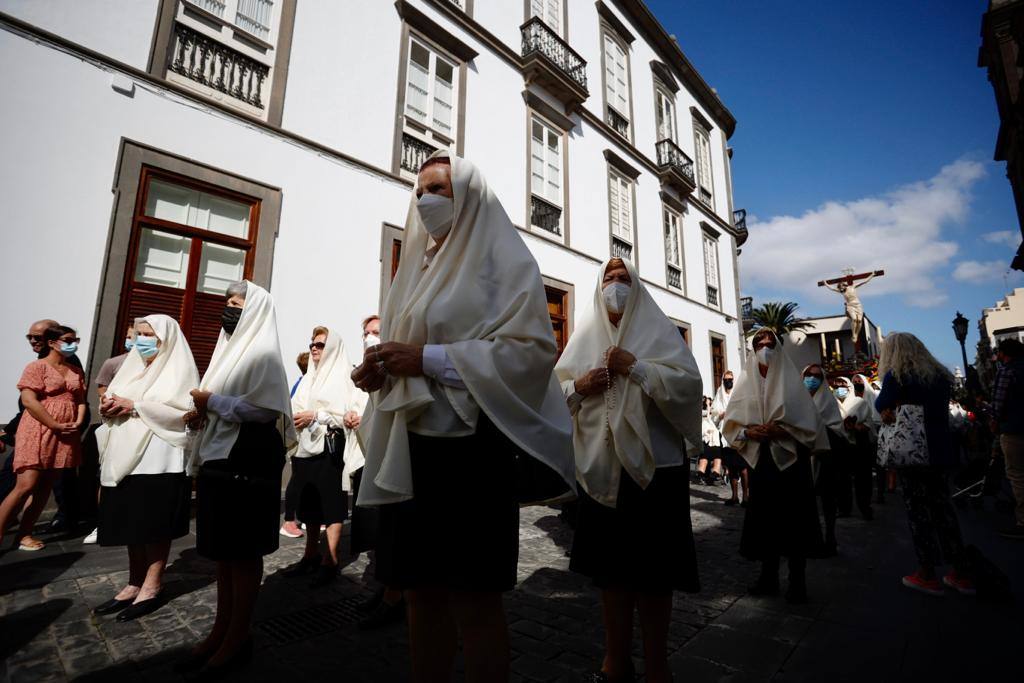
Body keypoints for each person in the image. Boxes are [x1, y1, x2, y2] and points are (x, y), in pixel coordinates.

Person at [352, 154, 574, 683]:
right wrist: (381, 369)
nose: (425, 199)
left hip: (473, 454)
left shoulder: (505, 263)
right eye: (419, 190)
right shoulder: (417, 270)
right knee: (420, 596)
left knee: (474, 602)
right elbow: (405, 349)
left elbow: (531, 351)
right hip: (415, 451)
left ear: (469, 194)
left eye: (438, 188)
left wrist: (423, 359)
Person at [555, 257, 702, 683]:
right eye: (609, 279)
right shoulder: (583, 337)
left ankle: (658, 664)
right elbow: (554, 392)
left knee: (656, 578)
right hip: (602, 471)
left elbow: (689, 387)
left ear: (636, 286)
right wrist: (579, 387)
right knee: (611, 576)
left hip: (657, 471)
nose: (615, 285)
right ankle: (615, 661)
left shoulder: (659, 334)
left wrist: (635, 368)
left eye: (623, 278)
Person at [175, 281, 295, 677]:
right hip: (219, 457)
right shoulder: (227, 351)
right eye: (226, 302)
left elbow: (263, 409)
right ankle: (220, 630)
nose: (227, 309)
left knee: (242, 554)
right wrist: (203, 412)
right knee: (224, 556)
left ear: (255, 310)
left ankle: (238, 635)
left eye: (236, 304)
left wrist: (213, 403)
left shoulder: (264, 355)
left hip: (246, 459)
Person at [92, 316, 198, 621]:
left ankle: (152, 585)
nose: (141, 339)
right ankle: (133, 582)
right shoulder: (131, 368)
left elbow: (186, 414)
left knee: (153, 523)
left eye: (148, 334)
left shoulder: (179, 369)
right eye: (138, 333)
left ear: (165, 339)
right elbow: (112, 398)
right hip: (124, 454)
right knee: (130, 522)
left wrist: (136, 406)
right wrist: (109, 407)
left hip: (158, 456)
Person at [722, 329, 825, 603]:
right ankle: (768, 578)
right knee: (766, 520)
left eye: (770, 343)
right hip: (763, 462)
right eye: (759, 343)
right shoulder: (746, 383)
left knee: (795, 521)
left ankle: (797, 581)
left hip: (792, 463)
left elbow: (810, 425)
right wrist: (749, 434)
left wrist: (785, 432)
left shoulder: (792, 382)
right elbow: (732, 425)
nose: (765, 347)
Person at [875, 332, 975, 596]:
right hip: (941, 450)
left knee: (918, 511)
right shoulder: (940, 377)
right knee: (944, 510)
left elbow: (881, 402)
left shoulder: (897, 375)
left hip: (914, 452)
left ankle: (927, 572)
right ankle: (960, 572)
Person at [282, 325, 357, 588]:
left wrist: (317, 415)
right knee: (309, 503)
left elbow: (347, 414)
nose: (314, 348)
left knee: (331, 503)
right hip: (304, 448)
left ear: (332, 348)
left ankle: (331, 559)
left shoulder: (345, 376)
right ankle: (310, 555)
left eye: (320, 344)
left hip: (329, 447)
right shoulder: (308, 377)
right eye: (312, 343)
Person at [0, 325, 87, 551]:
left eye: (75, 340)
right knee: (25, 484)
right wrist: (54, 423)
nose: (73, 343)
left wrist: (77, 421)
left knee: (45, 486)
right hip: (38, 429)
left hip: (65, 432)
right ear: (52, 342)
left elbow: (80, 400)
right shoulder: (36, 367)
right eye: (68, 339)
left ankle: (24, 534)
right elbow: (29, 400)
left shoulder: (75, 371)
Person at [348, 314, 406, 629]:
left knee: (396, 529)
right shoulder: (368, 366)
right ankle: (385, 587)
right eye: (367, 333)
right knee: (383, 533)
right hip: (371, 454)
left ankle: (395, 595)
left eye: (377, 332)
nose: (371, 338)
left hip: (394, 453)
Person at [0, 319, 60, 521]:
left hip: (40, 433)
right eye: (29, 337)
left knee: (23, 485)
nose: (33, 341)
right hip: (30, 430)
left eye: (37, 337)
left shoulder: (58, 364)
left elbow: (34, 403)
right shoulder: (39, 363)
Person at [82, 323, 137, 545]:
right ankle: (102, 522)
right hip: (115, 423)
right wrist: (110, 400)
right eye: (132, 336)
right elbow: (101, 387)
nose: (134, 340)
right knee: (106, 474)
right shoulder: (113, 363)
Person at [802, 363, 845, 556]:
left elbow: (836, 428)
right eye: (809, 375)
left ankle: (830, 536)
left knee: (828, 499)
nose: (812, 379)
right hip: (802, 457)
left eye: (817, 376)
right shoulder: (796, 399)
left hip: (825, 457)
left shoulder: (829, 402)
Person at [990, 338, 1024, 539]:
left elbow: (999, 400)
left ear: (1005, 353)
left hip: (1014, 428)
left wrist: (994, 420)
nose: (998, 357)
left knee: (1018, 475)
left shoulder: (1007, 370)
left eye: (1000, 353)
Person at [280, 351, 311, 540]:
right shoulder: (303, 384)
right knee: (298, 479)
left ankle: (303, 516)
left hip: (304, 441)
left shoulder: (300, 382)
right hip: (302, 441)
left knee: (304, 480)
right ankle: (289, 520)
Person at [835, 376, 875, 520]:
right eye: (837, 384)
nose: (839, 387)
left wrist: (855, 427)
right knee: (842, 478)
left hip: (859, 443)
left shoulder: (860, 402)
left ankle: (865, 507)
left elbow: (867, 425)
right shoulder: (833, 404)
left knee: (862, 478)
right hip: (841, 445)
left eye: (843, 384)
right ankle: (844, 508)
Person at [711, 370, 748, 506]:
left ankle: (745, 496)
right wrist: (721, 415)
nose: (729, 381)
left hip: (739, 433)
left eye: (730, 379)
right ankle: (734, 496)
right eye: (726, 379)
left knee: (743, 467)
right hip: (726, 435)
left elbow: (745, 410)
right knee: (731, 466)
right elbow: (713, 414)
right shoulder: (719, 395)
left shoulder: (738, 393)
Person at [695, 396, 724, 486]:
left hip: (706, 440)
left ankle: (702, 472)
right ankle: (714, 472)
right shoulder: (710, 414)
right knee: (717, 458)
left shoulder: (698, 414)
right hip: (713, 440)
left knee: (704, 458)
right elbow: (714, 420)